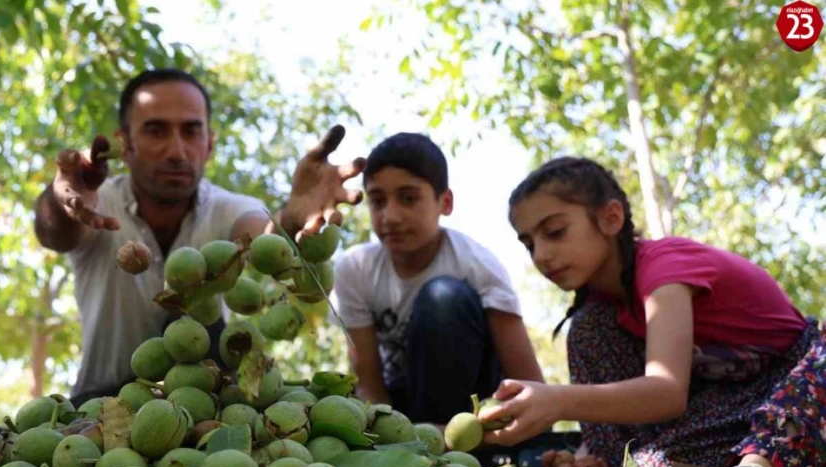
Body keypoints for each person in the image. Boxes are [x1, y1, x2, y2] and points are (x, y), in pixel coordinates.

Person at [483, 155, 826, 467]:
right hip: (729, 408)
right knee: (592, 337)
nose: (540, 255)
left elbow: (666, 391)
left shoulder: (664, 268)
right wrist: (583, 461)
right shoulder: (600, 316)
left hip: (800, 379)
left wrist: (556, 400)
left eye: (555, 232)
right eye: (528, 244)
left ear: (611, 219)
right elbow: (629, 418)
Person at [33, 68, 366, 407]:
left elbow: (261, 234)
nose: (176, 150)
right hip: (99, 406)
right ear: (125, 143)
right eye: (156, 130)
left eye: (191, 131)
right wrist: (60, 203)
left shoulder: (229, 208)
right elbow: (54, 231)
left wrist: (292, 222)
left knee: (201, 323)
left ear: (209, 144)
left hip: (199, 409)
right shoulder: (96, 204)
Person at [330, 132, 545, 424]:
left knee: (443, 296)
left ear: (445, 202)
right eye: (377, 201)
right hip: (401, 412)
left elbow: (529, 385)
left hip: (471, 415)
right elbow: (368, 383)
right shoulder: (355, 269)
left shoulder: (476, 265)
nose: (390, 216)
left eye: (408, 198)